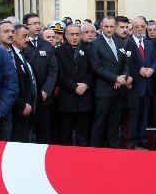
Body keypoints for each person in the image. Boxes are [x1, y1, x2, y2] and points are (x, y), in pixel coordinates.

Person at [89, 16, 131, 148]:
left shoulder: (119, 42)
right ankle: (96, 151)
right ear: (101, 27)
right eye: (106, 26)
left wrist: (123, 77)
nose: (109, 29)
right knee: (100, 123)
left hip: (119, 90)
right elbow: (96, 67)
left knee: (114, 123)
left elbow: (126, 63)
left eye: (111, 26)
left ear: (115, 27)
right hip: (104, 91)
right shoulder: (95, 43)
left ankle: (111, 149)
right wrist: (115, 78)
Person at [55, 24, 94, 146]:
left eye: (77, 34)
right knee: (66, 133)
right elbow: (59, 73)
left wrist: (85, 84)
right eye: (72, 34)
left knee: (83, 133)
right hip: (67, 98)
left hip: (84, 98)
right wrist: (74, 86)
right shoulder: (58, 51)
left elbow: (92, 70)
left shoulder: (88, 50)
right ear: (66, 35)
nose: (75, 37)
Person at [23, 13, 58, 144]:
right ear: (26, 26)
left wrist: (46, 90)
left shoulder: (47, 45)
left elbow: (53, 69)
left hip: (44, 97)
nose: (38, 26)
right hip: (28, 98)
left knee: (44, 133)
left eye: (39, 23)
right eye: (34, 23)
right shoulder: (23, 45)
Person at [130, 17, 156, 147]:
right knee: (134, 115)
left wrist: (152, 69)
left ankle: (142, 138)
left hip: (148, 85)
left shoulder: (149, 43)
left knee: (145, 115)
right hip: (135, 86)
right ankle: (132, 139)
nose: (140, 29)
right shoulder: (128, 43)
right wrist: (138, 70)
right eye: (137, 26)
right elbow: (128, 63)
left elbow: (155, 60)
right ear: (132, 28)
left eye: (142, 26)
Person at [10, 24, 38, 143]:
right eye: (24, 36)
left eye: (28, 36)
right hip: (18, 111)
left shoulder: (24, 54)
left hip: (30, 108)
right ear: (14, 37)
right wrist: (21, 105)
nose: (27, 39)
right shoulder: (10, 56)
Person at [115, 16, 138, 149]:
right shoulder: (111, 42)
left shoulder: (131, 42)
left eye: (126, 27)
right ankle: (113, 142)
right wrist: (120, 78)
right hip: (116, 85)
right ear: (116, 27)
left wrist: (131, 77)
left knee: (128, 117)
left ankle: (126, 141)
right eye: (122, 27)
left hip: (129, 86)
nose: (125, 30)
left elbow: (135, 62)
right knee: (115, 117)